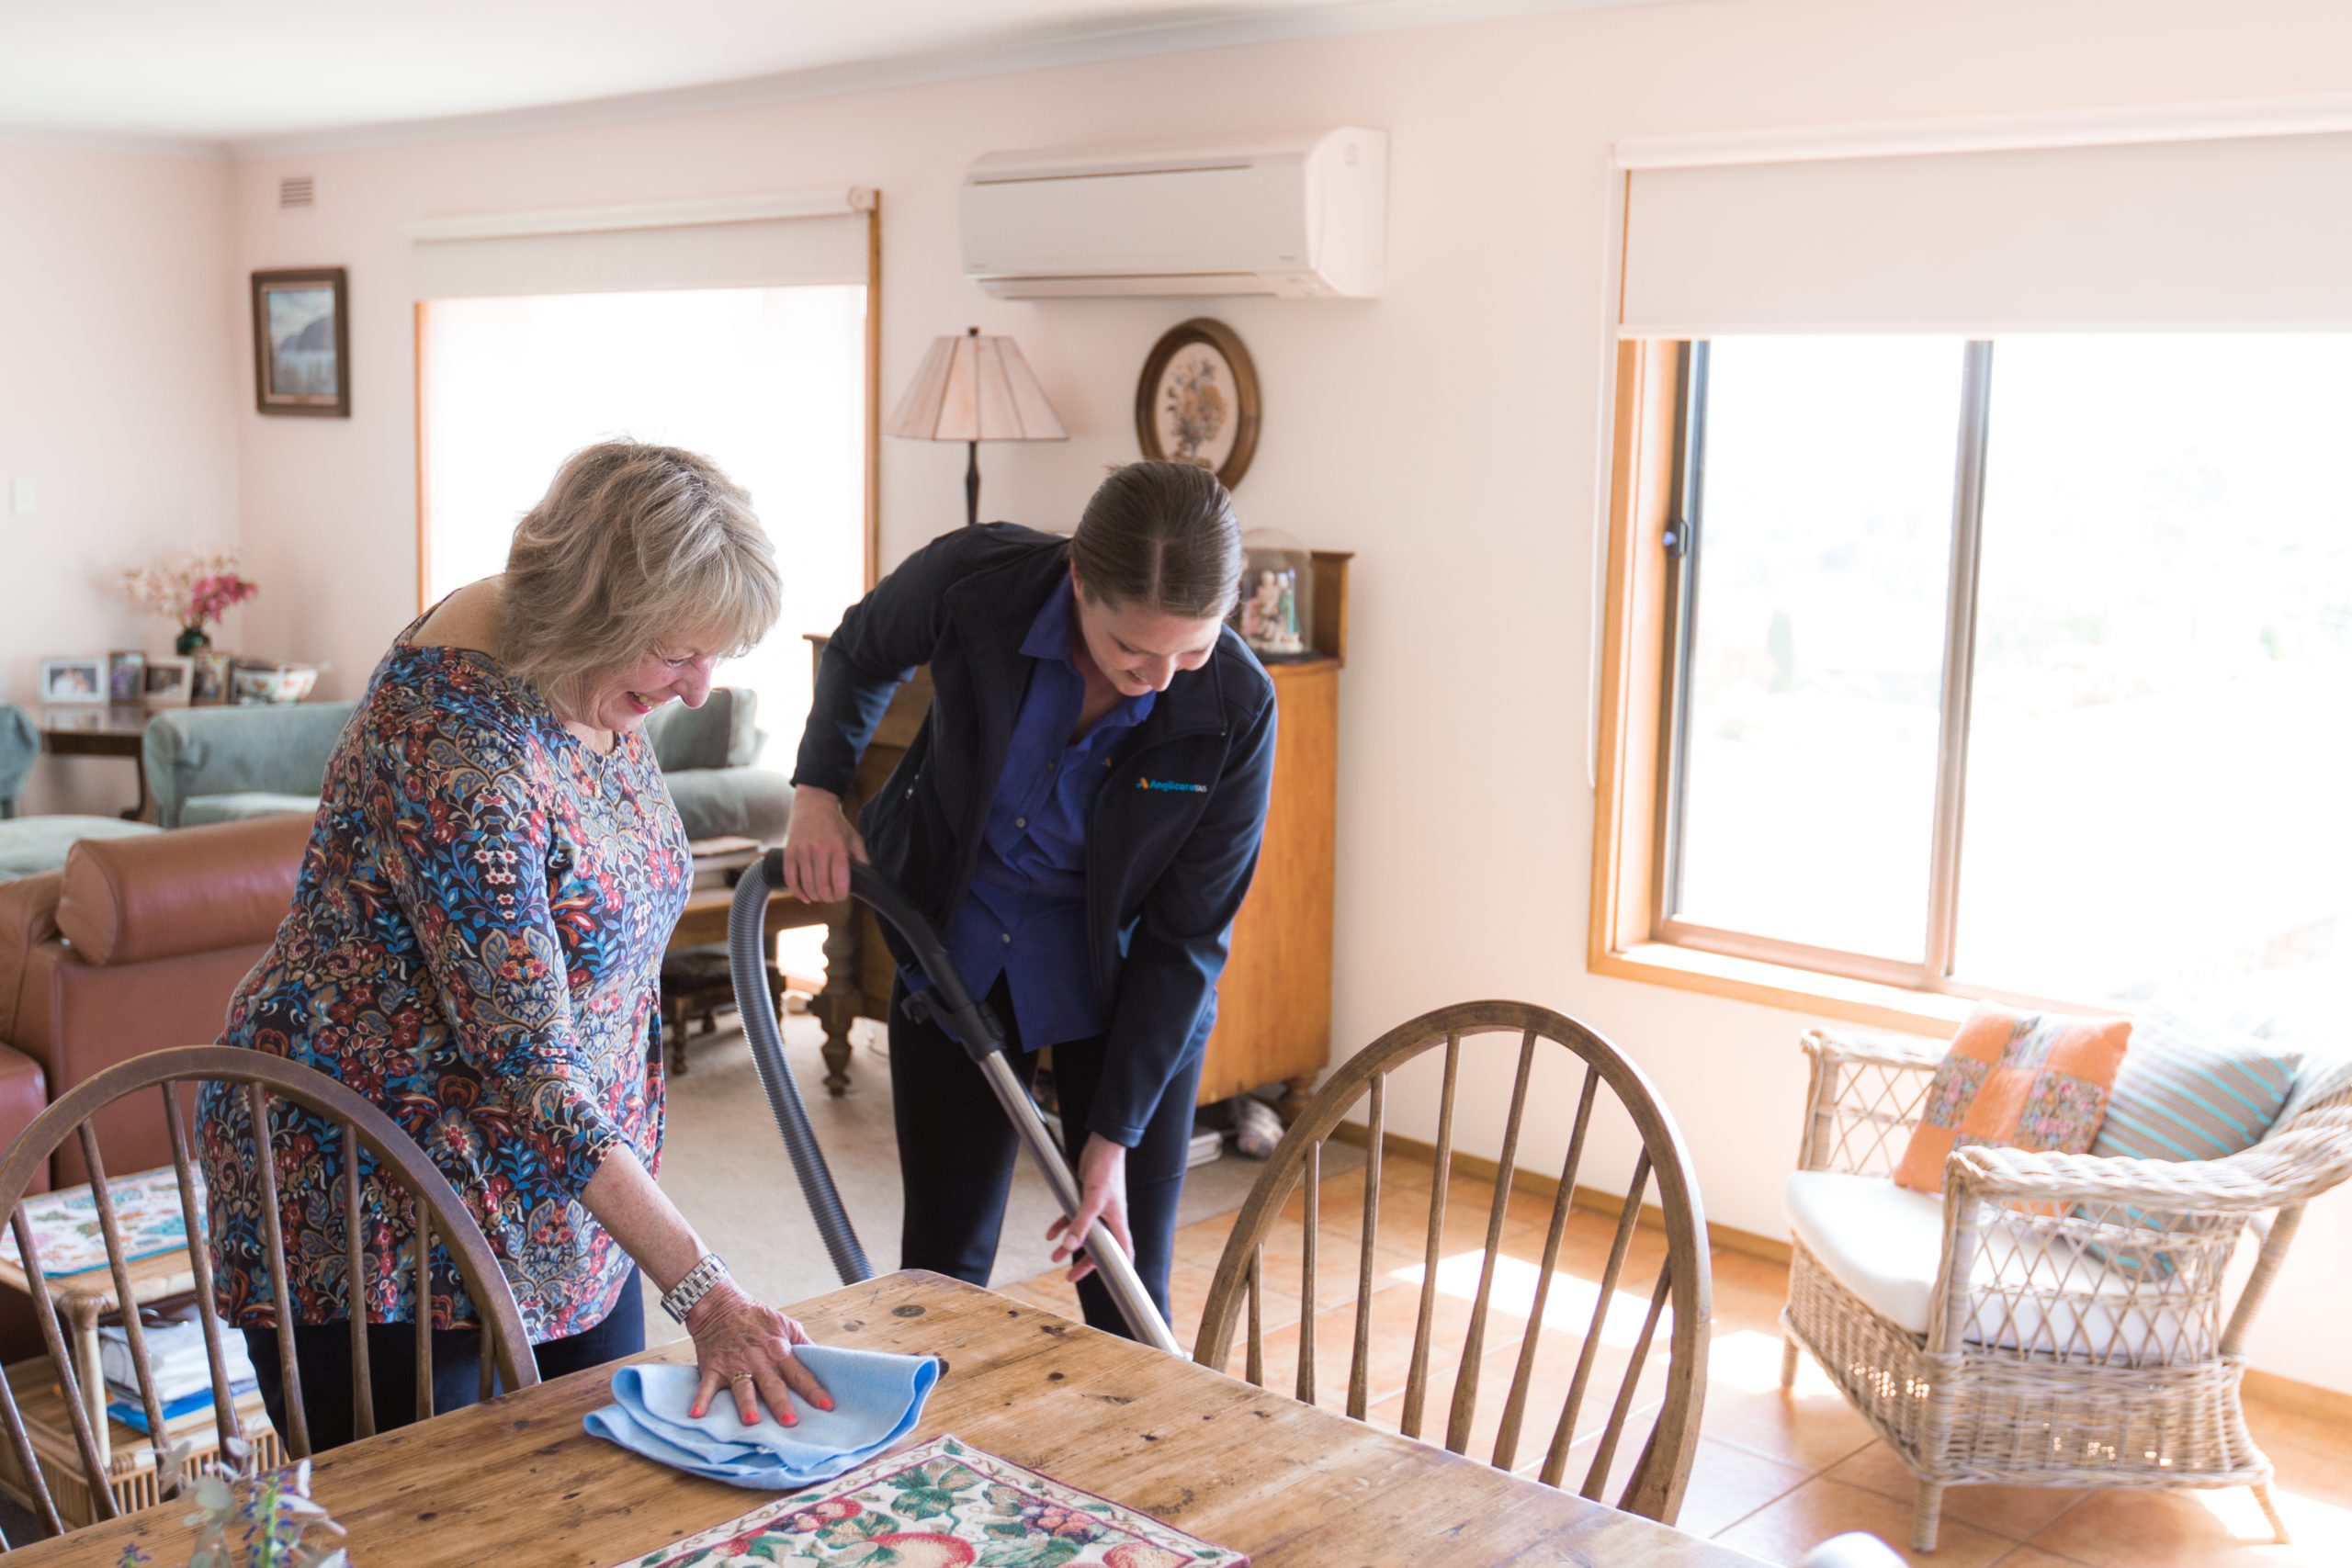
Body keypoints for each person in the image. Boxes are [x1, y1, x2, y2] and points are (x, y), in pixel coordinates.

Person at [198, 440, 832, 1444]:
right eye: (676, 653)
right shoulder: (459, 751)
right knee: (429, 1533)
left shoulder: (572, 662)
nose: (698, 690)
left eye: (716, 655)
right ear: (594, 612)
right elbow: (528, 1068)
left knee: (607, 1490)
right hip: (381, 1205)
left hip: (564, 1189)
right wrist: (705, 1293)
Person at [784, 461, 1277, 1339]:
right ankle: (929, 1463)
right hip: (958, 947)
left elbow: (1187, 937)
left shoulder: (1238, 708)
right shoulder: (978, 583)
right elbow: (863, 647)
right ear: (1080, 579)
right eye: (1134, 650)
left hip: (1128, 989)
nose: (1161, 678)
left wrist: (1112, 1138)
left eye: (1191, 649)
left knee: (1121, 1280)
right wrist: (818, 792)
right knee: (942, 1272)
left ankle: (1125, 1472)